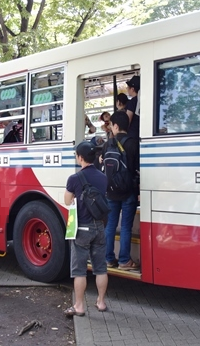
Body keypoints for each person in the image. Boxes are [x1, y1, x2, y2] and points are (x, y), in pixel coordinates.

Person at [63, 141, 108, 316]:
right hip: (99, 228)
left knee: (79, 270)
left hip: (81, 229)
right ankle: (101, 302)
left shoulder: (74, 179)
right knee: (100, 268)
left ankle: (79, 306)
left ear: (80, 157)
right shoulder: (103, 177)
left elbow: (67, 201)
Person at [104, 111, 140, 270]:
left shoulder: (107, 144)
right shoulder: (133, 143)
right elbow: (137, 168)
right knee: (125, 226)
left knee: (110, 225)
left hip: (111, 191)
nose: (111, 128)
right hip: (128, 192)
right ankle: (124, 261)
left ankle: (108, 258)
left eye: (111, 125)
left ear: (116, 126)